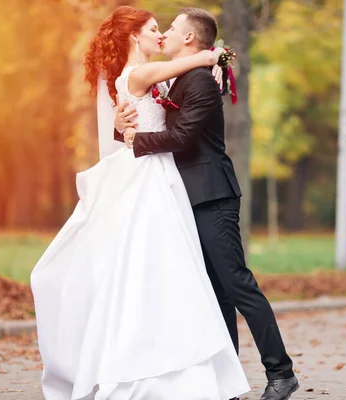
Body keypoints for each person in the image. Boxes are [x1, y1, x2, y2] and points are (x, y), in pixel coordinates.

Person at [30, 6, 250, 400]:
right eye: (153, 29)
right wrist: (214, 58)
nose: (160, 35)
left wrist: (214, 67)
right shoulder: (138, 73)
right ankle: (156, 365)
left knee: (162, 271)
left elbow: (154, 109)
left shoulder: (138, 77)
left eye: (163, 28)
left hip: (161, 173)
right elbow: (200, 56)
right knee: (163, 268)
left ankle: (166, 357)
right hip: (152, 177)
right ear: (135, 37)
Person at [115, 8, 299, 400]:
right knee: (216, 294)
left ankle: (281, 373)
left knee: (237, 284)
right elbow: (153, 122)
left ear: (188, 40)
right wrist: (125, 127)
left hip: (212, 195)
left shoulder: (198, 80)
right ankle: (226, 383)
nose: (163, 33)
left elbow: (181, 138)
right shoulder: (186, 75)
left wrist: (136, 142)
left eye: (171, 28)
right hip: (185, 196)